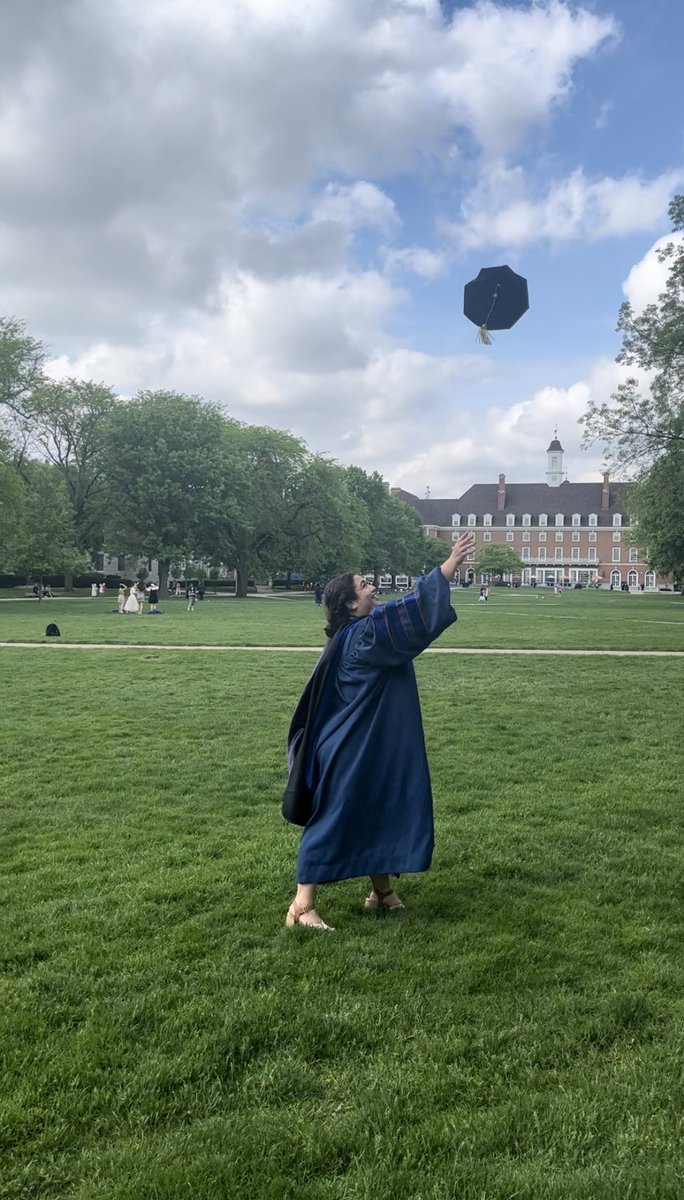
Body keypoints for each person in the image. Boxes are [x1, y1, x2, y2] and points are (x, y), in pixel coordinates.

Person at [283, 531, 476, 930]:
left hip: (364, 745)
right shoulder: (363, 635)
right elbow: (414, 612)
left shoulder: (352, 635)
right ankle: (302, 906)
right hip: (349, 750)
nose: (373, 590)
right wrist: (448, 566)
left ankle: (381, 892)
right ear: (351, 604)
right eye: (365, 586)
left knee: (376, 807)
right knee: (335, 817)